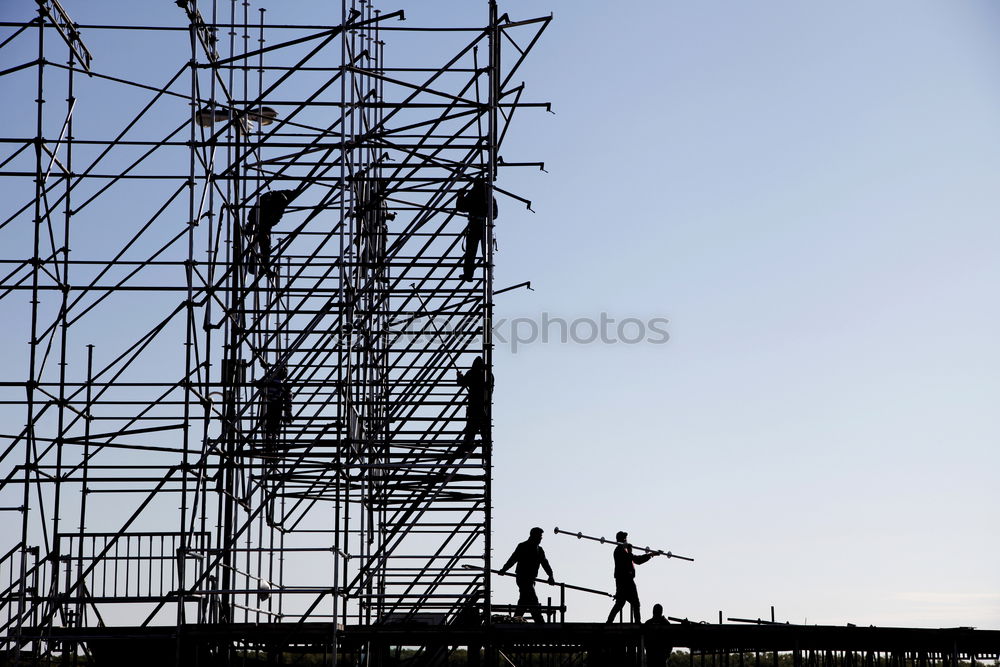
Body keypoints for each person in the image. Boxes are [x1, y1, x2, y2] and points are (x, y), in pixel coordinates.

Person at [499, 527, 555, 623]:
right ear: (534, 536)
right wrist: (504, 569)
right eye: (540, 536)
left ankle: (516, 619)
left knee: (524, 601)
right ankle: (539, 622)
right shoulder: (522, 546)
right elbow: (513, 559)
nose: (541, 539)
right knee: (533, 600)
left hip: (531, 579)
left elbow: (545, 563)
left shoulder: (539, 550)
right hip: (523, 578)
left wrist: (550, 575)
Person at [606, 530, 660, 623]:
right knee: (623, 603)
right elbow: (633, 559)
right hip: (624, 582)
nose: (626, 540)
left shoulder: (624, 551)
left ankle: (636, 623)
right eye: (625, 539)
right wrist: (630, 551)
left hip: (627, 581)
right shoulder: (619, 551)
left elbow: (637, 560)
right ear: (623, 540)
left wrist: (651, 555)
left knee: (630, 603)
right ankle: (610, 623)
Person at [455, 177, 498, 281]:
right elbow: (495, 214)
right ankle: (473, 274)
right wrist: (461, 196)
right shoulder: (487, 196)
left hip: (480, 225)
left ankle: (472, 274)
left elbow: (461, 207)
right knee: (480, 253)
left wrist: (461, 195)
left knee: (478, 253)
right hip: (482, 226)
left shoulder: (481, 195)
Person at [246, 189, 297, 277]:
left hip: (263, 224)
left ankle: (262, 268)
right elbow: (254, 214)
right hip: (259, 224)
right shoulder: (268, 200)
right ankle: (256, 267)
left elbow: (276, 218)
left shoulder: (279, 198)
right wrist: (251, 225)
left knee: (264, 246)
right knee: (261, 245)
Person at [456, 356, 493, 453]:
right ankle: (487, 447)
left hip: (474, 406)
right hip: (483, 406)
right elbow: (491, 389)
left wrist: (459, 376)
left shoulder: (471, 373)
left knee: (471, 429)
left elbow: (461, 382)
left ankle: (468, 445)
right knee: (484, 429)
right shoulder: (488, 375)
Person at [255, 365, 292, 454]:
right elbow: (288, 400)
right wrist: (288, 413)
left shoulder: (269, 380)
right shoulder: (283, 385)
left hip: (267, 407)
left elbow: (258, 384)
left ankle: (269, 447)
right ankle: (272, 449)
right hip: (277, 407)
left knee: (267, 429)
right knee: (275, 429)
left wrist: (265, 376)